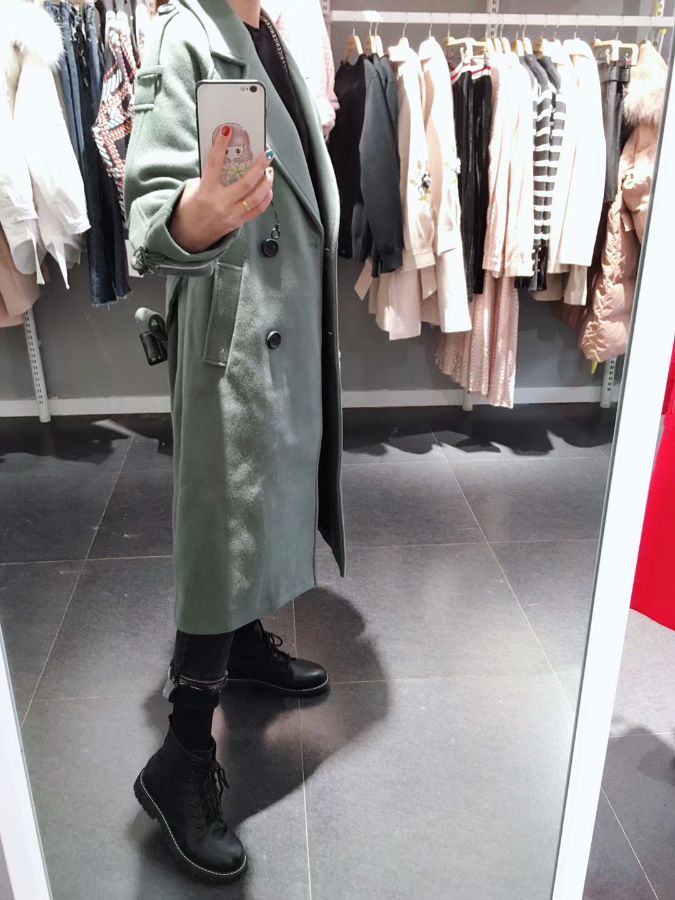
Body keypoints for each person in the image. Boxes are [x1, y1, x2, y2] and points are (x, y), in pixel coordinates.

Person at [124, 0, 345, 884]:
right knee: (222, 530)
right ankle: (179, 761)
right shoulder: (185, 33)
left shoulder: (268, 33)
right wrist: (196, 214)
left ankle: (246, 641)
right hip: (232, 341)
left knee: (261, 503)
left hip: (274, 324)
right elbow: (148, 220)